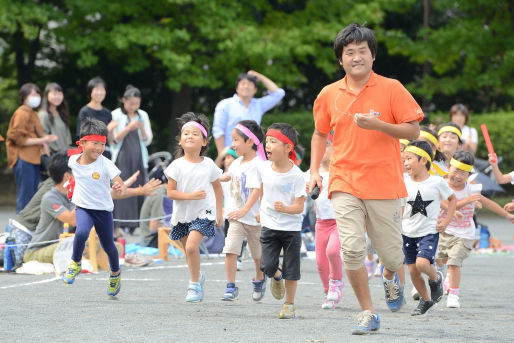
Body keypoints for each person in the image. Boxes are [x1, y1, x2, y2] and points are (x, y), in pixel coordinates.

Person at [309, 23, 423, 335]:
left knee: (391, 255)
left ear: (372, 56)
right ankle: (368, 312)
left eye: (363, 51)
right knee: (352, 249)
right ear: (340, 60)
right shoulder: (329, 94)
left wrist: (378, 125)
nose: (356, 57)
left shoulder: (392, 88)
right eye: (350, 52)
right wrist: (314, 171)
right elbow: (319, 134)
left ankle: (389, 276)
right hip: (344, 181)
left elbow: (413, 130)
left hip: (385, 184)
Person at [437, 150, 514, 308]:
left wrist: (506, 215)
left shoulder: (472, 189)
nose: (458, 176)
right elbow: (441, 202)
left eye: (463, 173)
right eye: (456, 170)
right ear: (448, 168)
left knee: (454, 262)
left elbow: (488, 203)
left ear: (469, 175)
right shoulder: (440, 185)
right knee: (440, 260)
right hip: (442, 231)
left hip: (464, 234)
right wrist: (459, 206)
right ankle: (446, 278)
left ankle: (453, 295)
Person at [62, 118, 126, 297]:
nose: (98, 148)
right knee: (81, 233)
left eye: (102, 144)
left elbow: (119, 182)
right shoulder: (73, 161)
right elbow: (72, 172)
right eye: (94, 143)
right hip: (83, 207)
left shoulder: (105, 163)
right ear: (82, 143)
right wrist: (71, 184)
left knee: (109, 247)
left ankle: (115, 273)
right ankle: (75, 263)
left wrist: (119, 187)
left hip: (104, 210)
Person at [164, 112, 223, 302]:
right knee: (189, 251)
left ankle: (193, 285)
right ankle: (197, 277)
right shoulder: (176, 166)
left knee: (191, 247)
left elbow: (217, 187)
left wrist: (219, 212)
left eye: (195, 134)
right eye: (186, 133)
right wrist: (190, 196)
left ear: (204, 142)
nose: (190, 136)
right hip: (182, 214)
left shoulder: (209, 164)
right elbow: (171, 193)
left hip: (203, 213)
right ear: (180, 141)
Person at [256, 123, 306, 319]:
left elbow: (300, 207)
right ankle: (276, 276)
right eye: (267, 141)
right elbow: (261, 189)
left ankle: (289, 304)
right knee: (267, 266)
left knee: (292, 269)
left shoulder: (297, 176)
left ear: (288, 147)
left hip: (291, 229)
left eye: (273, 141)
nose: (267, 145)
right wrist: (261, 209)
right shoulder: (263, 168)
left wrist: (285, 209)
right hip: (269, 226)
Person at [401, 141, 456, 315]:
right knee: (412, 270)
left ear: (423, 160)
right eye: (404, 159)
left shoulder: (437, 182)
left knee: (422, 263)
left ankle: (436, 278)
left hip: (428, 232)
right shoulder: (402, 181)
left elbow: (452, 200)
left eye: (409, 158)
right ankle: (425, 300)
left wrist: (446, 221)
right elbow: (400, 206)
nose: (405, 163)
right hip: (406, 232)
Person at [220, 120, 266, 301]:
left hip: (254, 217)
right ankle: (231, 286)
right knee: (230, 249)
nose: (233, 144)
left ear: (250, 142)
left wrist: (244, 210)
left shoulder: (258, 164)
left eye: (236, 139)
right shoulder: (236, 162)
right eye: (233, 139)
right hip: (235, 216)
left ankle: (259, 276)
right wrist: (214, 177)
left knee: (257, 255)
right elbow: (228, 176)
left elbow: (257, 190)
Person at [6, 83, 58, 213]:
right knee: (25, 198)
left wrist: (44, 143)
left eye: (38, 94)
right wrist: (44, 140)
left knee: (33, 197)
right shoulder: (21, 113)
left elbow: (35, 135)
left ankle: (28, 229)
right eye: (33, 94)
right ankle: (19, 229)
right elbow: (18, 139)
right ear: (24, 96)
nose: (37, 97)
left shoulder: (33, 113)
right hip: (24, 158)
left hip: (34, 158)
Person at [306, 134, 345, 310]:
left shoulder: (342, 170)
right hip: (321, 222)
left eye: (327, 145)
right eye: (319, 146)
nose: (322, 150)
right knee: (321, 264)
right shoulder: (312, 172)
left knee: (332, 251)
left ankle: (336, 284)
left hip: (340, 221)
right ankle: (327, 291)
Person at [111, 86, 153, 236]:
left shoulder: (143, 115)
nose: (134, 107)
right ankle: (120, 224)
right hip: (122, 156)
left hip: (139, 156)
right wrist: (129, 127)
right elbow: (114, 140)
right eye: (131, 103)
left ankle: (137, 223)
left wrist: (140, 128)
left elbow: (148, 140)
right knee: (121, 187)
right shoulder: (115, 115)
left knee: (139, 186)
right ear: (124, 101)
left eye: (137, 103)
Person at [212, 71, 285, 154]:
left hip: (254, 156)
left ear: (255, 90)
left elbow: (279, 94)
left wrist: (260, 77)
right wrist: (222, 155)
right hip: (232, 154)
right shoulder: (225, 105)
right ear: (237, 88)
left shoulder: (259, 105)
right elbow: (218, 131)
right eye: (243, 83)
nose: (246, 86)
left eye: (250, 84)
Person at [23, 152, 76, 263]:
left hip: (59, 245)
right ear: (67, 176)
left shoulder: (71, 195)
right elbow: (73, 220)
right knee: (77, 245)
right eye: (78, 172)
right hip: (36, 252)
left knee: (115, 246)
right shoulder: (50, 198)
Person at [76, 77, 115, 158]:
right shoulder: (84, 111)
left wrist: (111, 131)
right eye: (96, 90)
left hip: (105, 153)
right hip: (90, 153)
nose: (99, 93)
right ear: (90, 92)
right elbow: (82, 136)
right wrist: (107, 129)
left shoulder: (108, 113)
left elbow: (110, 141)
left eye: (102, 90)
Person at [38, 83, 72, 153]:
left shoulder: (62, 113)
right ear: (46, 95)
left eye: (60, 94)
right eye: (54, 94)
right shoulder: (43, 114)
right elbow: (41, 135)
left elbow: (67, 138)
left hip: (64, 154)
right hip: (51, 154)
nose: (57, 96)